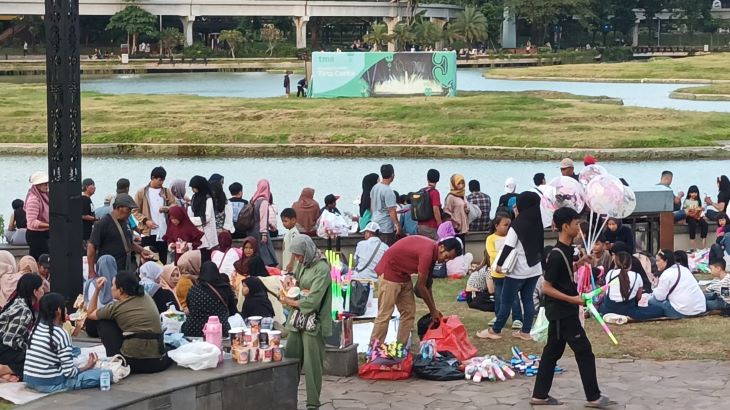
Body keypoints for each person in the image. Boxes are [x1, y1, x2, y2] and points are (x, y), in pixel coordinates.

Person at [530, 207, 613, 408]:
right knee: (584, 351)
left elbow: (561, 276)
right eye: (576, 224)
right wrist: (572, 299)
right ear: (566, 226)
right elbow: (546, 287)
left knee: (552, 352)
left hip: (562, 311)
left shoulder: (566, 251)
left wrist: (579, 264)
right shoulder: (557, 254)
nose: (579, 227)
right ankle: (593, 397)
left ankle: (540, 395)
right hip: (562, 313)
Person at [369, 235, 461, 344]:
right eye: (446, 256)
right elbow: (420, 287)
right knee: (385, 313)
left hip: (403, 274)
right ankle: (374, 349)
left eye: (449, 259)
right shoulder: (427, 252)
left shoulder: (434, 254)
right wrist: (432, 310)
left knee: (408, 313)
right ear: (441, 247)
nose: (445, 260)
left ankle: (401, 347)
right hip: (390, 270)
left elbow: (427, 285)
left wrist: (434, 309)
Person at [478, 192, 543, 341]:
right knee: (527, 299)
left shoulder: (517, 225)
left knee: (506, 300)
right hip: (535, 269)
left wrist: (499, 264)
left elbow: (508, 247)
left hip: (518, 271)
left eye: (517, 203)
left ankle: (495, 330)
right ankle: (526, 331)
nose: (515, 206)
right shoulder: (537, 221)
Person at [280, 235, 332, 410]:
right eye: (295, 256)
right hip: (297, 320)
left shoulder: (322, 268)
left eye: (299, 255)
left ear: (307, 251)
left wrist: (293, 301)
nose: (297, 259)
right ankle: (286, 399)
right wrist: (291, 280)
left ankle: (312, 404)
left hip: (313, 323)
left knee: (312, 366)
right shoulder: (303, 263)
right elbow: (298, 283)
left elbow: (313, 300)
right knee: (290, 360)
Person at [87, 272, 172, 374]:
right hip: (157, 361)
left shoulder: (117, 307)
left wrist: (97, 290)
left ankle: (115, 360)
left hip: (133, 362)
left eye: (113, 285)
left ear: (121, 290)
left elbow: (90, 313)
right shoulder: (146, 297)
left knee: (103, 321)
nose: (111, 288)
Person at [23, 293, 101, 393]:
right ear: (59, 311)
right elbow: (69, 373)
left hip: (29, 380)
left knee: (74, 350)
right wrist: (87, 366)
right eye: (64, 307)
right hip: (49, 384)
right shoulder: (61, 333)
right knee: (103, 374)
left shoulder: (36, 328)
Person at [87, 194, 152, 278]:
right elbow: (91, 246)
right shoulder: (103, 223)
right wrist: (91, 271)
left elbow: (129, 243)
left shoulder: (125, 222)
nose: (129, 213)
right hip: (109, 268)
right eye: (128, 210)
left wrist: (142, 250)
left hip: (125, 266)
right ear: (118, 208)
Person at [0, 274, 44, 382]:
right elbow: (10, 341)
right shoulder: (24, 311)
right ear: (35, 292)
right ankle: (4, 369)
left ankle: (7, 375)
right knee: (36, 359)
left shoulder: (18, 302)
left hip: (4, 347)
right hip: (3, 348)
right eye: (42, 288)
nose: (44, 290)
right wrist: (30, 348)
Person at [598, 251, 664, 320]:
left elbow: (607, 292)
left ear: (615, 263)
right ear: (630, 263)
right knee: (659, 310)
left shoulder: (610, 273)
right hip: (628, 311)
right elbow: (638, 297)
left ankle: (614, 316)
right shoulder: (637, 276)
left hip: (608, 310)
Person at [484, 213, 522, 328]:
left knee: (514, 296)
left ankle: (517, 318)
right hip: (497, 273)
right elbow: (491, 253)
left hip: (510, 273)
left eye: (509, 225)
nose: (508, 228)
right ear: (496, 225)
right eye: (505, 225)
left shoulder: (512, 237)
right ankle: (499, 316)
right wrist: (504, 258)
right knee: (499, 296)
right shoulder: (490, 238)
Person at [133, 167, 177, 265]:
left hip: (163, 231)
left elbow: (174, 206)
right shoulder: (142, 192)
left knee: (162, 259)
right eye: (159, 180)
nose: (161, 182)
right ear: (153, 178)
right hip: (147, 231)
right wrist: (145, 221)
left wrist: (167, 209)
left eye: (163, 180)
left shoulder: (166, 192)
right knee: (146, 259)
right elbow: (134, 210)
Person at [181, 262, 235, 337]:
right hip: (219, 330)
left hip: (193, 330)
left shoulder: (193, 290)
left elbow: (190, 308)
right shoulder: (224, 288)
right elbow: (233, 311)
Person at [649, 249, 706, 318]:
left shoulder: (666, 274)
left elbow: (659, 297)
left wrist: (654, 288)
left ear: (666, 261)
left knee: (651, 300)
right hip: (700, 308)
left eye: (658, 260)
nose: (656, 263)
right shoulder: (684, 269)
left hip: (682, 311)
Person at [83, 255, 116, 338]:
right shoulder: (120, 284)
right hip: (114, 326)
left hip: (93, 327)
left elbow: (87, 306)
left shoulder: (89, 283)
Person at [247, 179, 278, 267]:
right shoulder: (264, 201)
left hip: (252, 230)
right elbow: (263, 218)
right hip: (260, 230)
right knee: (265, 254)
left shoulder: (254, 200)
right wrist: (264, 233)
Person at [188, 176, 218, 262]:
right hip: (196, 230)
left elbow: (207, 217)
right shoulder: (194, 197)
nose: (192, 190)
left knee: (205, 256)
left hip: (206, 230)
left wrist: (190, 220)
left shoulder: (208, 198)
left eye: (194, 187)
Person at [370, 165, 400, 245]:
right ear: (392, 175)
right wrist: (397, 225)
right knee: (385, 250)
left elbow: (372, 205)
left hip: (374, 223)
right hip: (385, 227)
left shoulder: (375, 187)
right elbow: (391, 210)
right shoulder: (388, 191)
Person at [25, 171, 50, 261]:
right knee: (42, 260)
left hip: (45, 232)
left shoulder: (45, 196)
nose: (47, 186)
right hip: (36, 235)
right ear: (37, 186)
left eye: (47, 184)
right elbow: (32, 222)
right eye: (44, 184)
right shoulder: (34, 199)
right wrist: (51, 225)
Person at [416, 169, 443, 240]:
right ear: (438, 180)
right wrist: (440, 224)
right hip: (431, 226)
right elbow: (436, 209)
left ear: (427, 178)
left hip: (420, 225)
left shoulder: (421, 191)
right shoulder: (435, 192)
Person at [280, 208, 299, 273]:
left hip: (292, 267)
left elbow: (295, 248)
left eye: (285, 221)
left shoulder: (294, 232)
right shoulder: (289, 232)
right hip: (287, 264)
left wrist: (291, 263)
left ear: (293, 220)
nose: (283, 223)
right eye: (282, 221)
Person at [80, 178, 97, 245]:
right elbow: (83, 215)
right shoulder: (84, 199)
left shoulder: (88, 199)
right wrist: (95, 219)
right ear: (87, 187)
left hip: (89, 232)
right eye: (93, 185)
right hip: (85, 234)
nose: (95, 187)